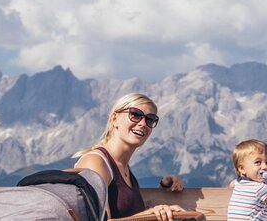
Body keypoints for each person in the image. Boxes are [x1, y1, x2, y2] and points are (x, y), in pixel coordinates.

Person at [75, 93, 185, 221]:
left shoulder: (124, 169)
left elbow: (126, 211)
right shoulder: (95, 163)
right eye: (135, 115)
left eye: (150, 119)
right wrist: (149, 215)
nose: (143, 123)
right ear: (114, 118)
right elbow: (99, 219)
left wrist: (164, 186)